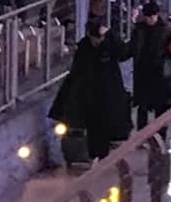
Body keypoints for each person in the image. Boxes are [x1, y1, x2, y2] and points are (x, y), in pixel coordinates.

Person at [51, 26, 132, 166]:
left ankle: (101, 154)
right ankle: (95, 154)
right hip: (89, 95)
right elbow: (77, 70)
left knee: (104, 125)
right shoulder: (84, 48)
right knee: (94, 125)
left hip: (107, 94)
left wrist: (111, 34)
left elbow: (124, 53)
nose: (97, 41)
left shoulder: (109, 45)